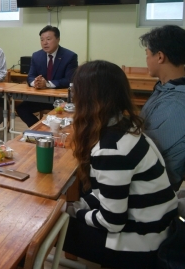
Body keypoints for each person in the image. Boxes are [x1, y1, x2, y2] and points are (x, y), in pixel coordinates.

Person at [63, 60, 177, 268]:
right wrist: (78, 204)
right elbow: (109, 192)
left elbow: (112, 222)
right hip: (156, 229)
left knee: (45, 227)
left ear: (87, 98)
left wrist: (76, 212)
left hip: (140, 245)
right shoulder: (125, 126)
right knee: (68, 208)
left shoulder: (111, 149)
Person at [140, 25, 185, 191]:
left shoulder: (177, 102)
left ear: (160, 56)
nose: (146, 60)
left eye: (147, 55)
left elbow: (148, 149)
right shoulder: (165, 87)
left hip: (153, 186)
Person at [16, 25, 78, 127]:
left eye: (48, 39)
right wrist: (35, 82)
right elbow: (30, 76)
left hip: (61, 100)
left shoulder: (70, 56)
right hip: (41, 98)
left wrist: (47, 84)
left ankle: (52, 129)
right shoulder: (36, 56)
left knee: (64, 114)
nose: (45, 43)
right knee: (21, 108)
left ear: (58, 39)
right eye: (42, 40)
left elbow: (69, 80)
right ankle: (39, 129)